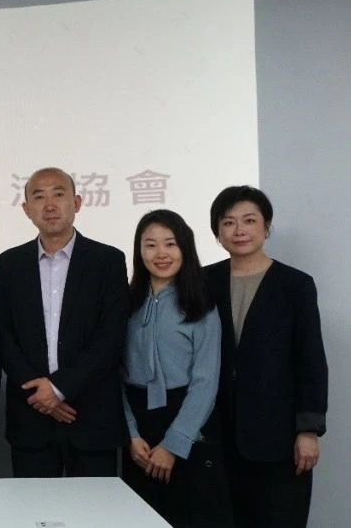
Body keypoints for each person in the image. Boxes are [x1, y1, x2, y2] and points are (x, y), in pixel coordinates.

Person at [0, 167, 128, 477]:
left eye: (59, 194)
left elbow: (111, 337)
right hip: (31, 417)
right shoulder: (9, 264)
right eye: (39, 197)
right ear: (27, 209)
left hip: (90, 414)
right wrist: (42, 394)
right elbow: (1, 334)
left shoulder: (108, 261)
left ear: (76, 202)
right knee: (33, 506)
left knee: (93, 506)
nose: (50, 205)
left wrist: (60, 388)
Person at [206, 186, 328, 528]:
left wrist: (308, 430)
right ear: (218, 232)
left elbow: (311, 360)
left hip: (279, 437)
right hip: (217, 437)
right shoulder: (203, 281)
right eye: (228, 222)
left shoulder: (295, 285)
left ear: (266, 226)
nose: (239, 230)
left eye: (249, 220)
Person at [121, 210, 232, 527]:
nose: (161, 254)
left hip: (188, 420)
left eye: (170, 244)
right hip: (138, 423)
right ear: (139, 251)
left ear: (185, 247)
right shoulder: (126, 302)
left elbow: (206, 382)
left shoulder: (201, 305)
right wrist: (130, 433)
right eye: (150, 245)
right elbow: (114, 375)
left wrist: (173, 444)